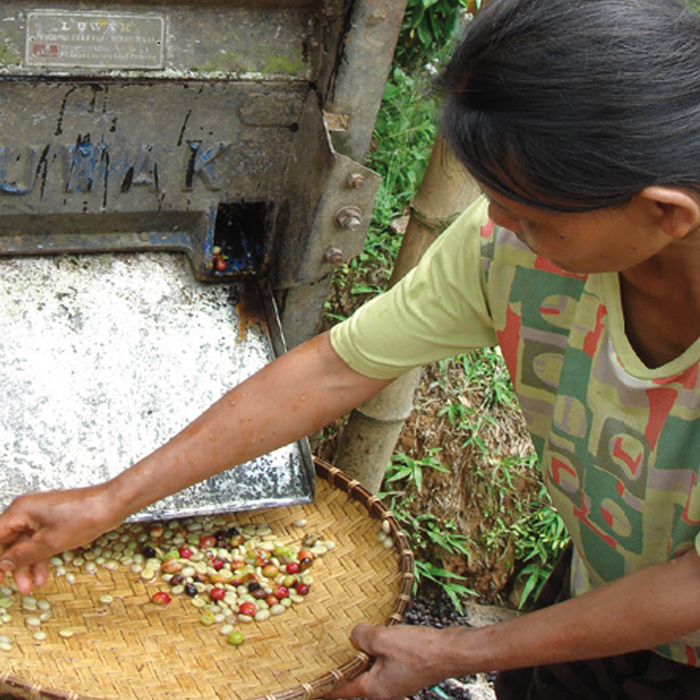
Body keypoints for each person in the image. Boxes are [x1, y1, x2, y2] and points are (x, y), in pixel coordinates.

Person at [1, 0, 700, 697]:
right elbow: (336, 369)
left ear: (666, 213)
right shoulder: (506, 245)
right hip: (590, 603)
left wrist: (462, 650)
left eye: (529, 213)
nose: (495, 225)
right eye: (493, 198)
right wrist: (111, 499)